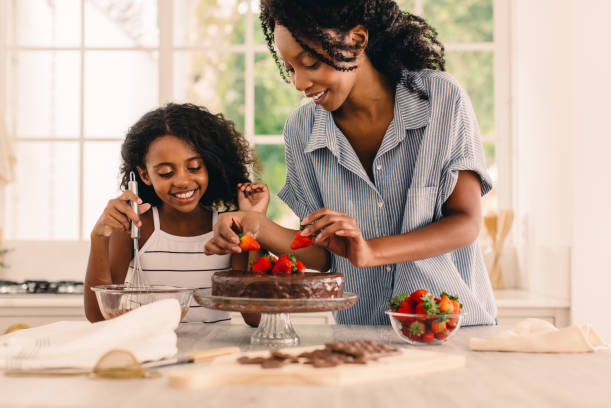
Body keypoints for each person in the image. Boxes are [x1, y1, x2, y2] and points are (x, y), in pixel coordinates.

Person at [204, 0, 497, 326]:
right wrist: (254, 224)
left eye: (310, 62)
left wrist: (370, 250)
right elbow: (322, 254)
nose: (299, 83)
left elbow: (466, 224)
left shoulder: (441, 98)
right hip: (363, 332)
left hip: (449, 329)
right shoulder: (301, 131)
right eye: (290, 69)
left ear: (357, 40)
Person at [84, 103, 268, 325]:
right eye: (166, 172)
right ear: (145, 175)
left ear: (210, 166)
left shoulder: (229, 230)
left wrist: (255, 223)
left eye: (194, 168)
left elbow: (255, 316)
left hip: (212, 356)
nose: (182, 181)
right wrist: (98, 237)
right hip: (151, 353)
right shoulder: (137, 228)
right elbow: (99, 317)